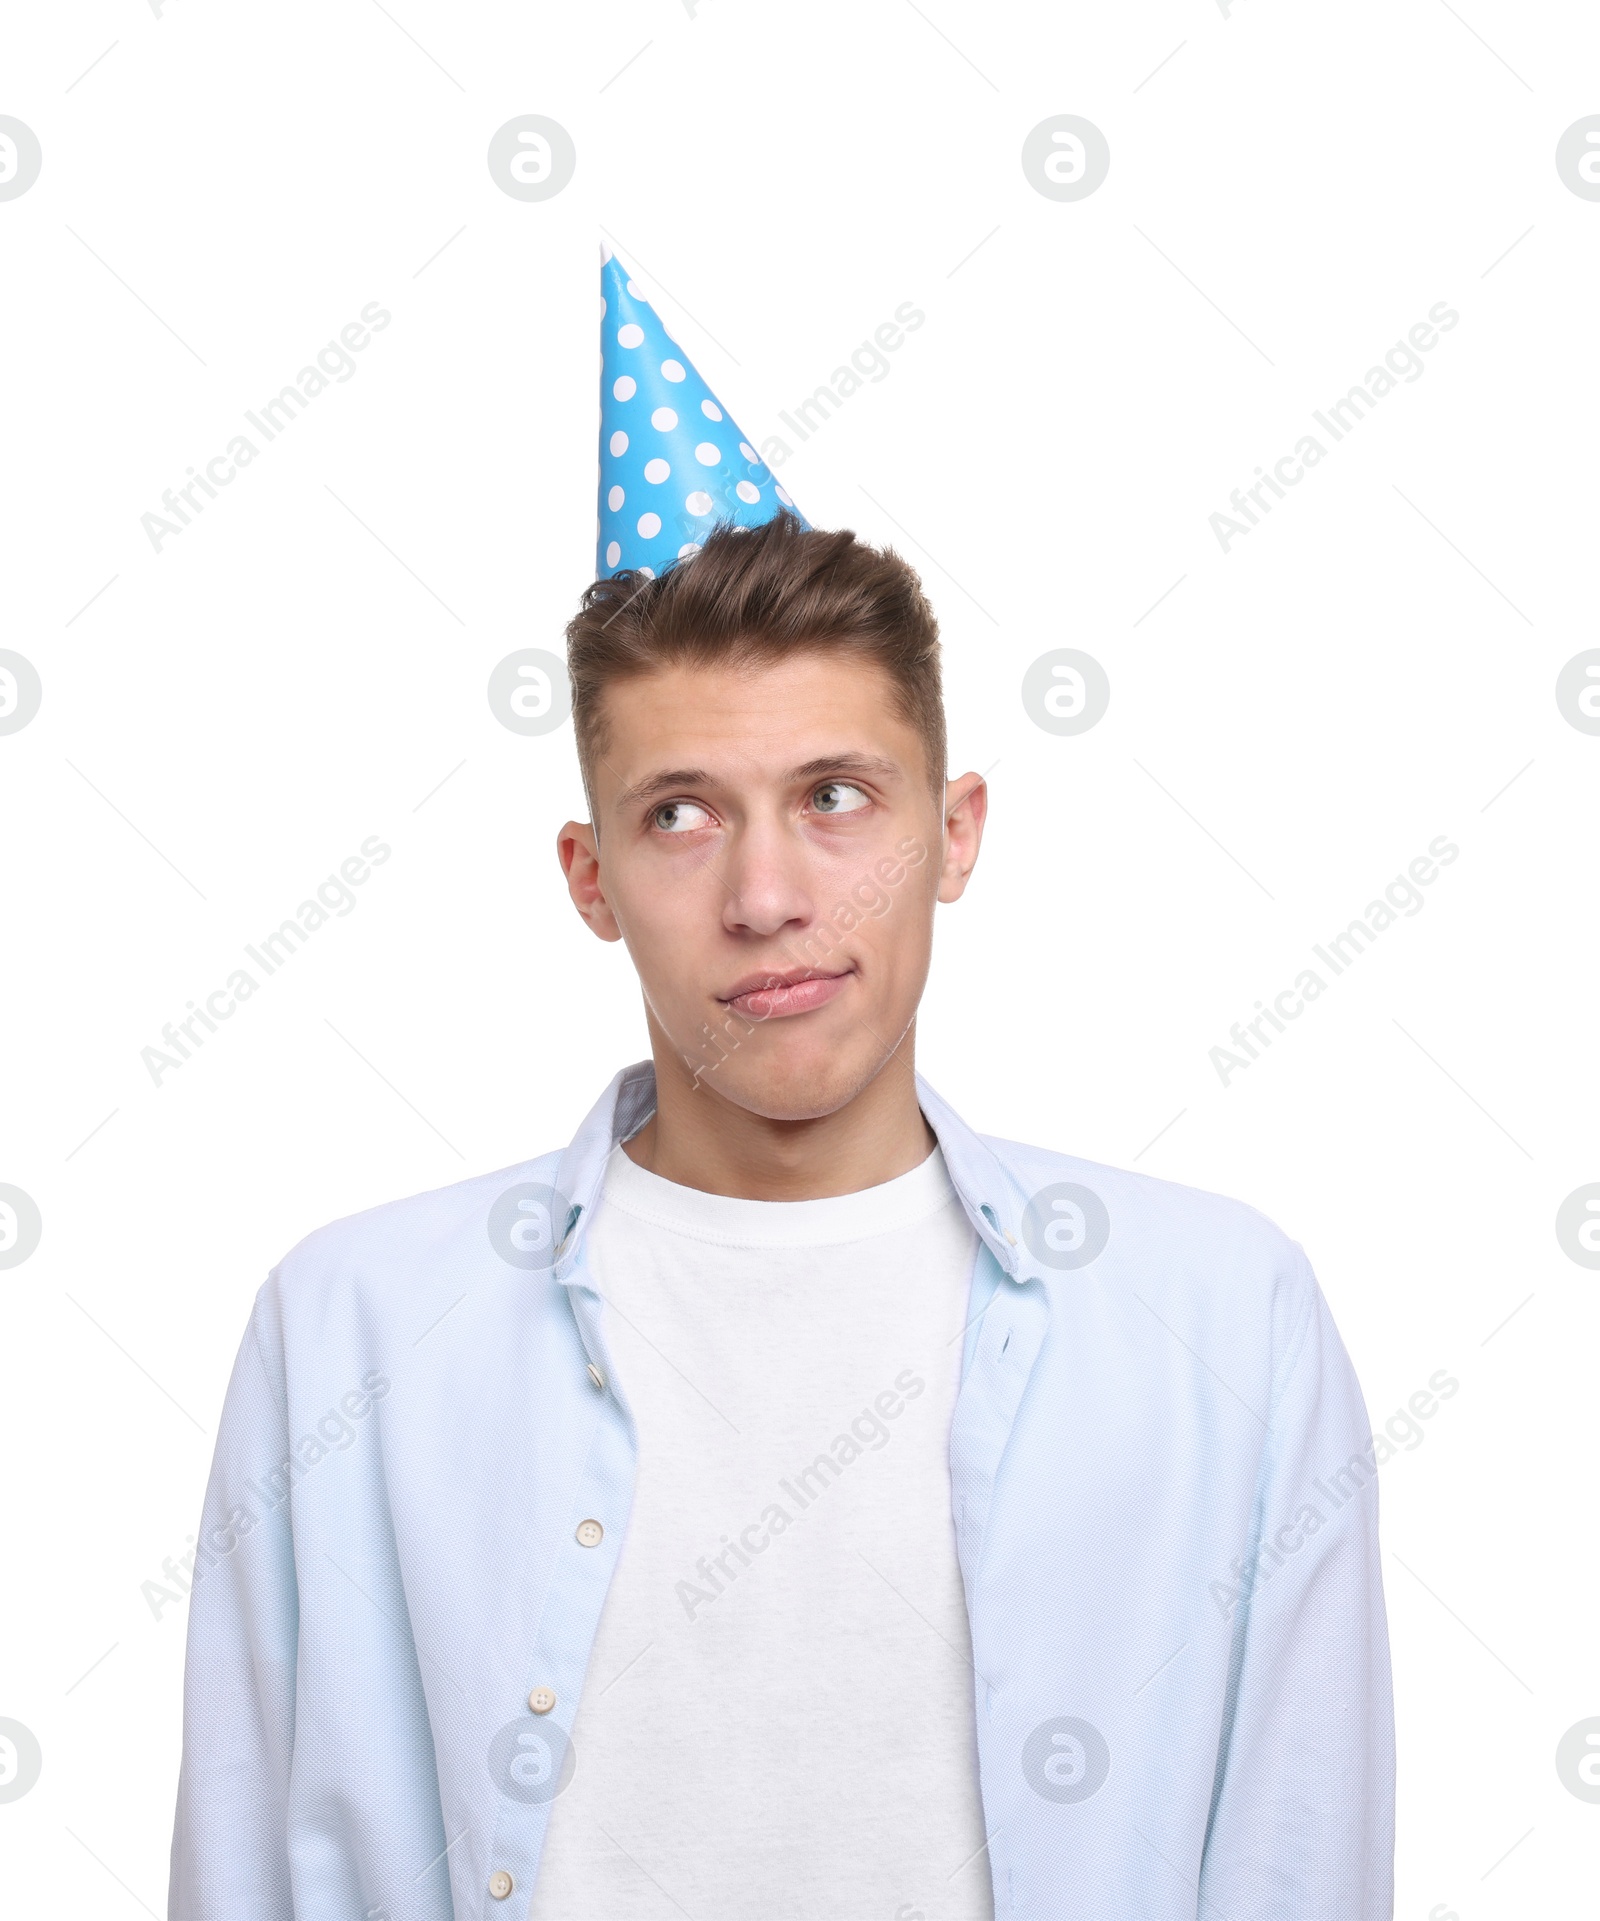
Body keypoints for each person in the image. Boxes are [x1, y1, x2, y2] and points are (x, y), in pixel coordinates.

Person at [168, 260, 1394, 1921]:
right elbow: (250, 1877)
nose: (765, 897)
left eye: (836, 796)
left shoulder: (1218, 1321)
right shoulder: (358, 1332)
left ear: (953, 832)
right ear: (588, 874)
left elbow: (1299, 1870)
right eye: (680, 812)